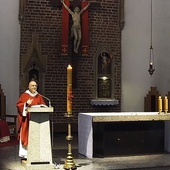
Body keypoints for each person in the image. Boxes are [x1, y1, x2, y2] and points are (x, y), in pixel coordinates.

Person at [16, 79, 46, 159]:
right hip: (27, 120)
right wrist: (26, 104)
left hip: (37, 121)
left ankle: (36, 153)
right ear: (29, 87)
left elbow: (44, 106)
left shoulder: (39, 96)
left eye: (35, 86)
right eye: (32, 86)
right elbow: (19, 105)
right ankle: (25, 154)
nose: (34, 87)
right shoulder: (24, 95)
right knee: (26, 135)